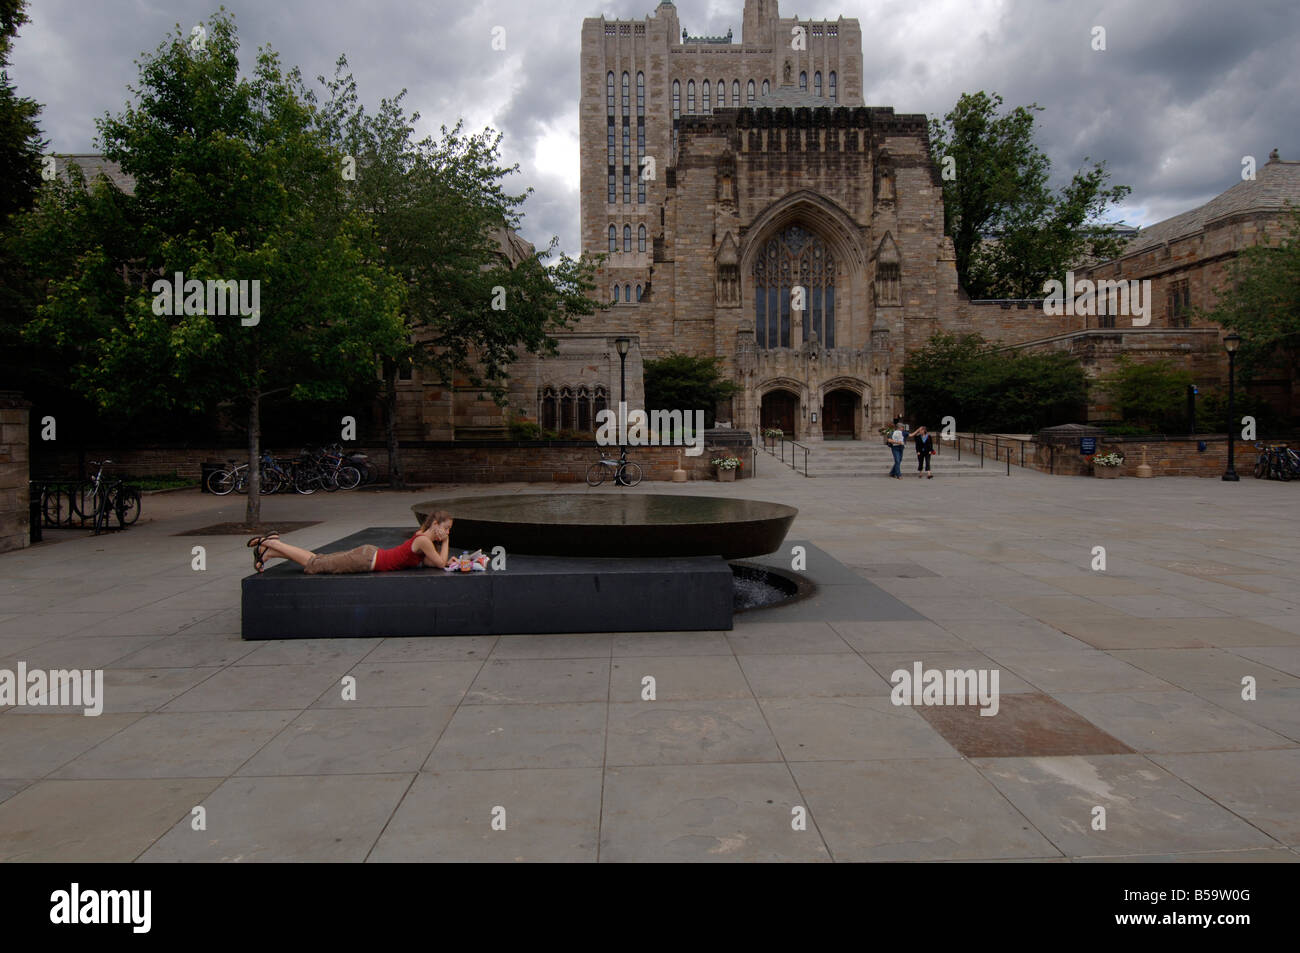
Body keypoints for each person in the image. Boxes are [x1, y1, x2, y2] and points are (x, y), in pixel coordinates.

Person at [248, 510, 453, 574]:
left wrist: (446, 556)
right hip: (364, 560)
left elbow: (428, 562)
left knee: (318, 559)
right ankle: (274, 543)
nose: (446, 532)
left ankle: (271, 552)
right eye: (446, 528)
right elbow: (440, 563)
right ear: (435, 524)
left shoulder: (422, 535)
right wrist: (446, 543)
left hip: (368, 555)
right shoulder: (424, 540)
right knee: (315, 564)